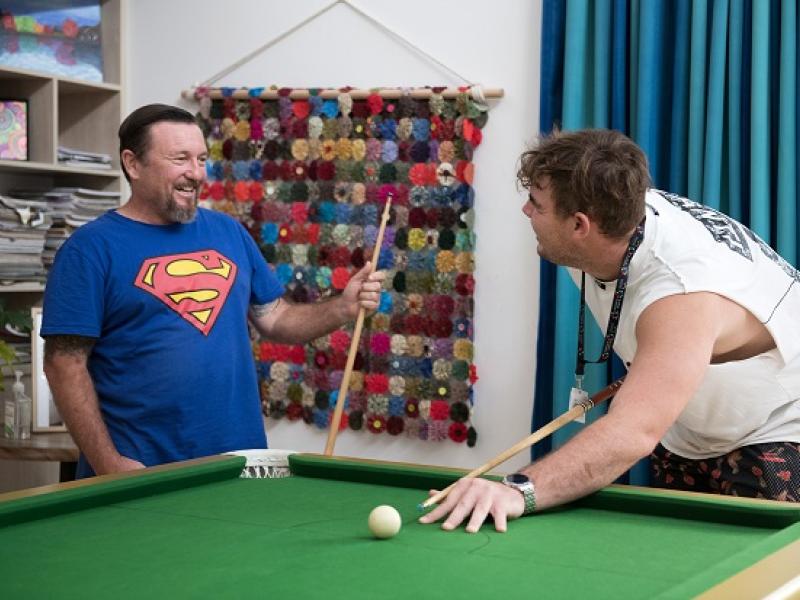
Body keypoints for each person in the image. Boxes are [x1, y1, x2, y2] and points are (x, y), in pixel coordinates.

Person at [420, 128, 800, 533]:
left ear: (580, 225)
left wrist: (519, 490)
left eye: (536, 204)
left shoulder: (681, 290)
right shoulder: (612, 216)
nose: (526, 212)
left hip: (778, 425)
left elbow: (633, 431)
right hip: (690, 429)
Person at [42, 103, 385, 478]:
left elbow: (276, 316)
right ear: (133, 164)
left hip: (239, 466)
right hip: (141, 473)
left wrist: (341, 308)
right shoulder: (89, 250)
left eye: (202, 159)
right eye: (180, 159)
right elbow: (64, 365)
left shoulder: (229, 232)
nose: (196, 173)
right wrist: (109, 464)